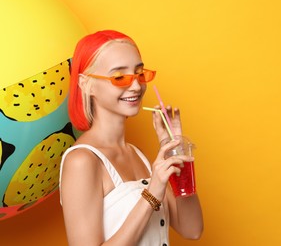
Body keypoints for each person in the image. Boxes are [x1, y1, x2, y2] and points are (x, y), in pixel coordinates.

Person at [59, 30, 203, 245]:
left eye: (140, 73)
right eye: (119, 77)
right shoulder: (82, 161)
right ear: (86, 84)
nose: (136, 86)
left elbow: (192, 229)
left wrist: (175, 148)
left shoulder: (139, 155)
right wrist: (151, 194)